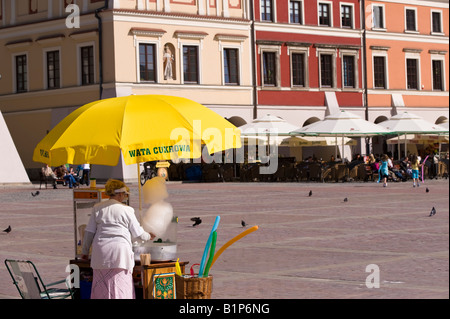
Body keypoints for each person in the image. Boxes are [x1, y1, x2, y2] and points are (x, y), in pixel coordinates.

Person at [81, 179, 155, 299]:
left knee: (101, 287)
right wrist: (149, 236)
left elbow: (89, 232)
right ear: (120, 194)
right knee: (121, 285)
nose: (124, 198)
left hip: (101, 252)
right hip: (120, 253)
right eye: (124, 195)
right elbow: (138, 233)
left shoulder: (98, 208)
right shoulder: (127, 210)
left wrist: (84, 251)